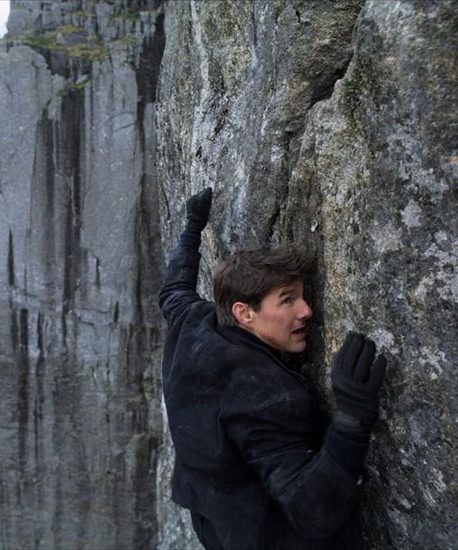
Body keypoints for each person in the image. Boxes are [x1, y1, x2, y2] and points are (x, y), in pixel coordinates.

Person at [159, 187, 387, 549]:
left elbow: (173, 291)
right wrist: (352, 420)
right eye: (287, 301)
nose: (307, 311)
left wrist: (192, 228)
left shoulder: (194, 323)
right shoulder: (264, 395)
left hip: (213, 519)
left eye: (302, 296)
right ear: (243, 312)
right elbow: (313, 509)